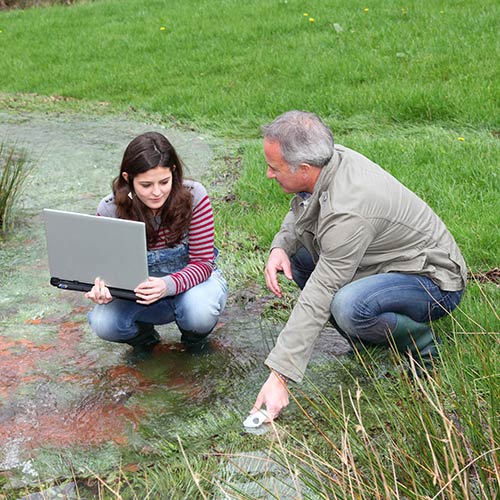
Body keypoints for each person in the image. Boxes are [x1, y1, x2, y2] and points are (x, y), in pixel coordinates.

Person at [251, 110, 467, 420]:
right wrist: (280, 246)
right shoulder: (328, 161)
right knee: (298, 258)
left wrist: (279, 376)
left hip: (432, 280)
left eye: (274, 168)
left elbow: (321, 291)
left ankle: (423, 346)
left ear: (304, 169)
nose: (269, 174)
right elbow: (304, 206)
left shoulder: (348, 210)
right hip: (383, 262)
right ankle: (370, 341)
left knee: (348, 306)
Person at [86, 131, 227, 349]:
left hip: (192, 287)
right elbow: (107, 270)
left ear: (173, 172)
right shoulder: (109, 209)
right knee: (103, 323)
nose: (156, 192)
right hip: (137, 295)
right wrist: (104, 290)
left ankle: (193, 341)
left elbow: (202, 264)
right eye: (146, 185)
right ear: (128, 179)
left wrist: (166, 285)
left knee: (199, 311)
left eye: (164, 182)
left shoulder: (195, 195)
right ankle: (146, 342)